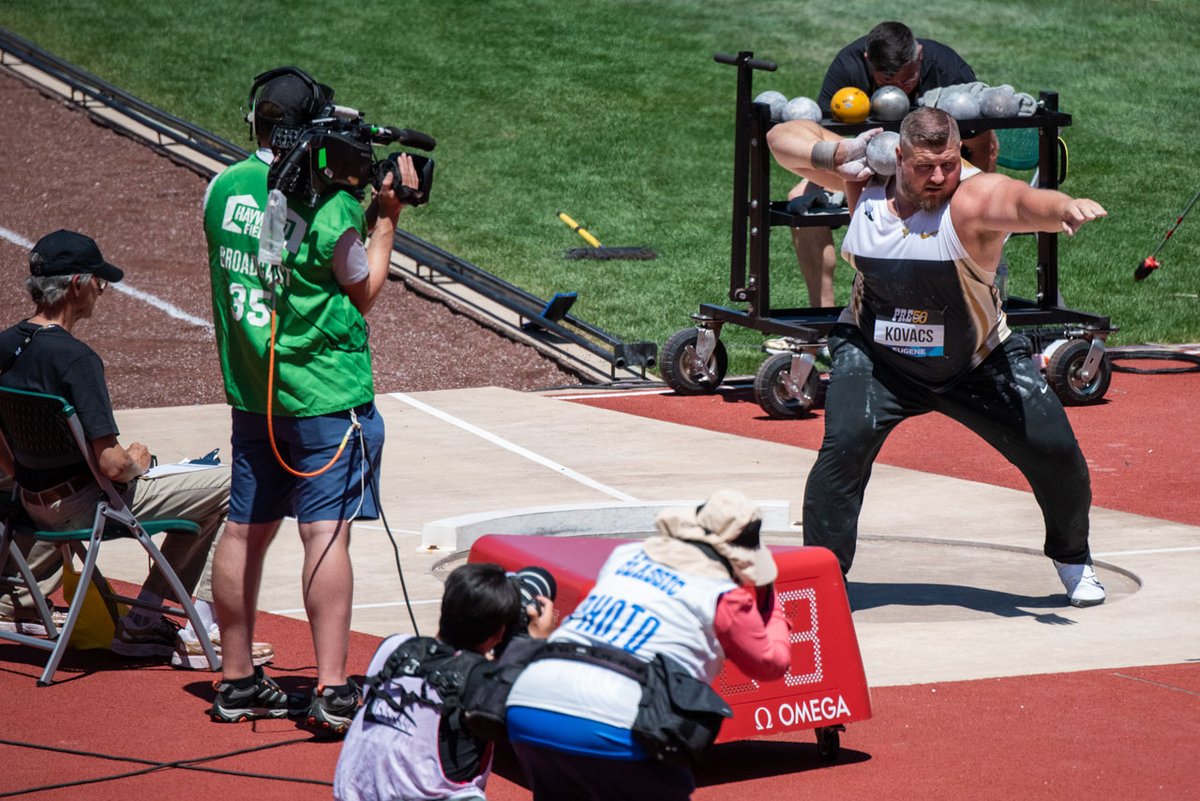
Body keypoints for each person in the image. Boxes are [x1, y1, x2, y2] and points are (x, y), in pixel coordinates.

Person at [766, 107, 1107, 607]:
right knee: (845, 446)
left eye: (949, 162)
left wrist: (1063, 208)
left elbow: (1023, 201)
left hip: (978, 360)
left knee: (1058, 457)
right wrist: (845, 152)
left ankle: (1073, 557)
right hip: (876, 356)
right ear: (898, 156)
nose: (940, 177)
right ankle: (824, 581)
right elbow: (780, 138)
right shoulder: (865, 181)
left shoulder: (971, 199)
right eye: (926, 166)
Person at [203, 67, 420, 734]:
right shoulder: (329, 210)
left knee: (245, 526)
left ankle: (236, 680)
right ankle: (331, 689)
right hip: (326, 396)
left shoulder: (221, 188)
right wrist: (387, 216)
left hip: (253, 391)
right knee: (325, 534)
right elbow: (364, 287)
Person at [0, 229, 273, 668]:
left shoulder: (4, 346)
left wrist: (27, 476)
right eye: (99, 282)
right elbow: (111, 463)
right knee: (240, 484)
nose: (100, 292)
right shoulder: (77, 360)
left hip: (31, 505)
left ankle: (21, 593)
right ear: (77, 285)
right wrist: (136, 462)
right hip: (91, 505)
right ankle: (167, 622)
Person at [504, 489, 791, 801]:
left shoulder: (625, 556)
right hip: (615, 719)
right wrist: (774, 607)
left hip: (529, 702)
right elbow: (771, 663)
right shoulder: (724, 597)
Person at [778, 21, 998, 316]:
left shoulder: (948, 68)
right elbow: (817, 130)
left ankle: (946, 310)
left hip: (933, 178)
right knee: (799, 199)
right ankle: (822, 322)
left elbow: (984, 141)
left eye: (908, 80)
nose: (899, 90)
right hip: (863, 168)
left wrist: (977, 190)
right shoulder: (848, 66)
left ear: (918, 55)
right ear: (869, 62)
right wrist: (848, 160)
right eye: (886, 83)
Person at [333, 562, 555, 801]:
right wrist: (535, 645)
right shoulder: (478, 681)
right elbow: (533, 719)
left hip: (353, 793)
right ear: (500, 632)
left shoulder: (393, 647)